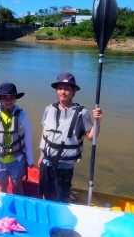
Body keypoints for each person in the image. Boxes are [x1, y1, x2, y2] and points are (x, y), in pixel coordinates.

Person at [38, 73, 103, 202]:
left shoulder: (82, 113)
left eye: (67, 88)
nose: (63, 92)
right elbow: (45, 133)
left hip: (65, 164)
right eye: (60, 88)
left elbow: (91, 137)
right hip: (47, 160)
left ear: (74, 91)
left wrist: (98, 121)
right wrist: (40, 156)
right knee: (46, 192)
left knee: (63, 196)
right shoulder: (48, 109)